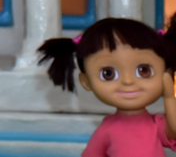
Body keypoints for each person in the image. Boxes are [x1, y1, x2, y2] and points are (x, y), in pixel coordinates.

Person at [38, 17, 176, 157]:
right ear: (86, 82)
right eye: (108, 74)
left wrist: (170, 98)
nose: (128, 81)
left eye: (144, 70)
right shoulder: (107, 130)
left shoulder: (156, 124)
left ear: (167, 73)